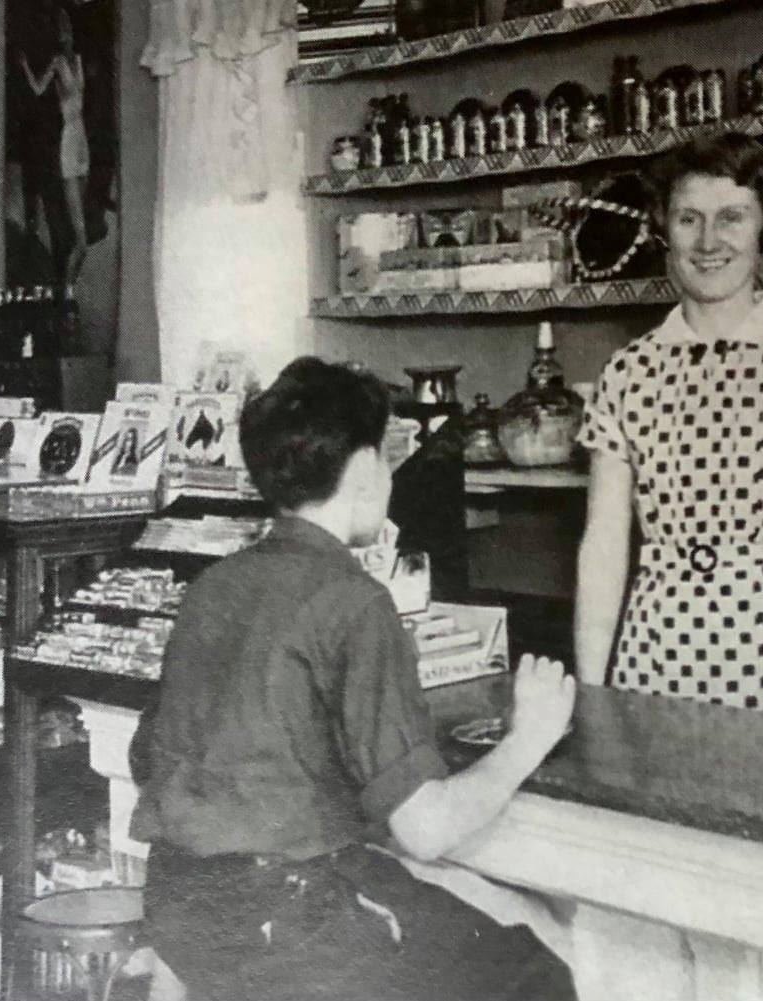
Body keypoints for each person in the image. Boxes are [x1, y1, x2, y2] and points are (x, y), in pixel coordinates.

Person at [131, 358, 578, 1001]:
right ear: (368, 467)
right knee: (532, 973)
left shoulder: (212, 587)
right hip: (291, 929)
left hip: (183, 911)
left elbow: (152, 754)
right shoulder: (354, 602)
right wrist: (528, 739)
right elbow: (425, 831)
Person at [575, 134, 763, 721]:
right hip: (655, 660)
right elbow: (604, 546)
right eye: (689, 218)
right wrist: (592, 690)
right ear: (662, 227)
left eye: (732, 217)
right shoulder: (628, 371)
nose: (709, 241)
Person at [18, 10, 91, 286]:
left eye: (68, 29)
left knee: (80, 232)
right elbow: (38, 89)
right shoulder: (58, 62)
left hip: (82, 138)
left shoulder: (77, 60)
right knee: (80, 237)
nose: (66, 35)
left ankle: (68, 287)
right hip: (70, 140)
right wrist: (25, 66)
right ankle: (67, 291)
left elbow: (82, 94)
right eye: (61, 31)